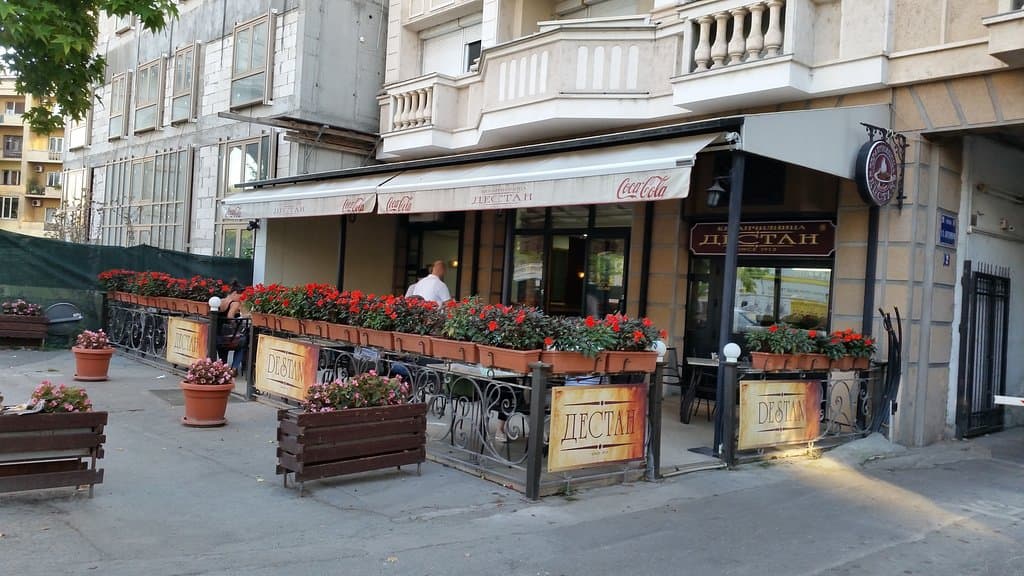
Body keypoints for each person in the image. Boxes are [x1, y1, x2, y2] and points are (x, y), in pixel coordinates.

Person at [216, 280, 249, 376]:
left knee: (222, 348)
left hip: (218, 336)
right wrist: (236, 324)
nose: (241, 298)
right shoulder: (234, 303)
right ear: (234, 293)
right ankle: (234, 368)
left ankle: (224, 367)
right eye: (240, 296)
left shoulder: (220, 301)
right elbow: (230, 316)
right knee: (242, 344)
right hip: (229, 337)